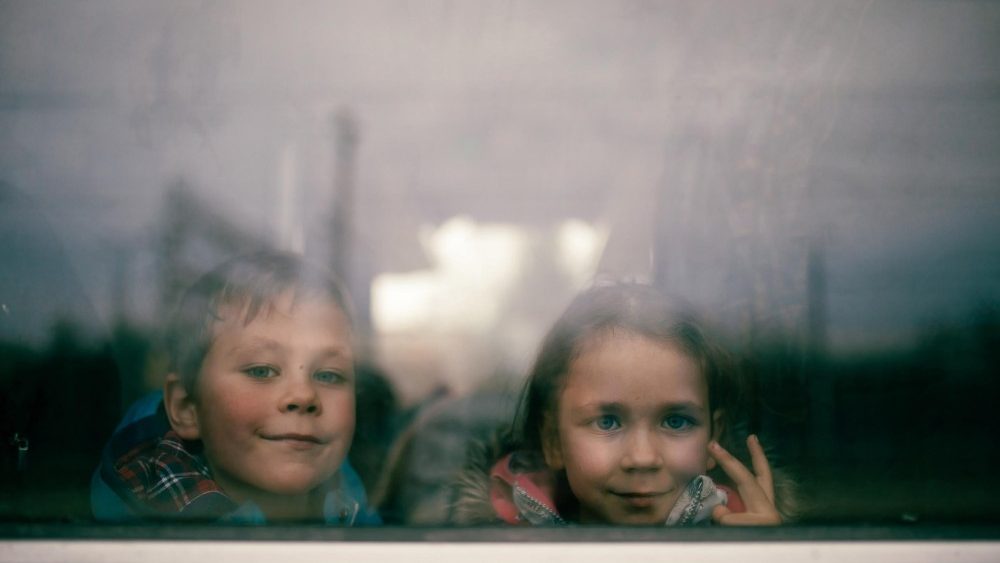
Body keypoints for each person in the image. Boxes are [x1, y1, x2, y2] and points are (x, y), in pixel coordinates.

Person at [450, 283, 794, 526]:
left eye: (676, 422)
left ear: (711, 439)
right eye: (607, 422)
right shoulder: (498, 546)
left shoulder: (745, 538)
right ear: (553, 441)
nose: (642, 459)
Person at [91, 251, 379, 524]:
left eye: (329, 375)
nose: (304, 396)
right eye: (262, 371)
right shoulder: (152, 543)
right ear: (187, 408)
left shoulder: (352, 499)